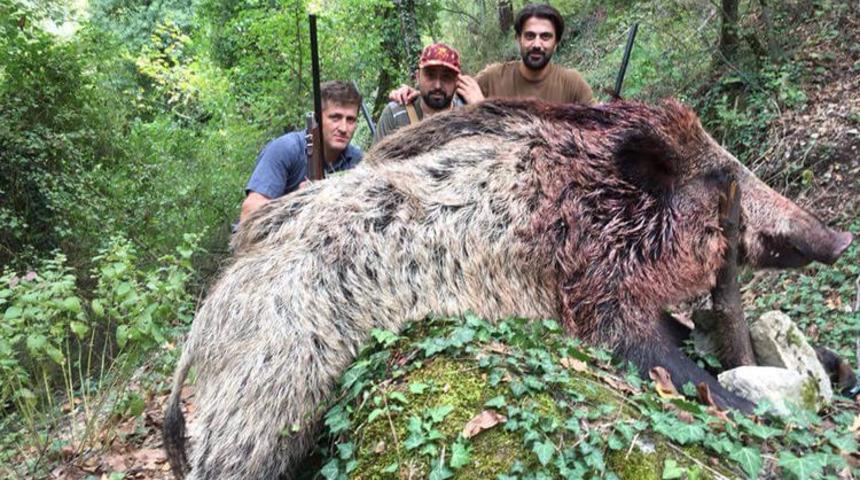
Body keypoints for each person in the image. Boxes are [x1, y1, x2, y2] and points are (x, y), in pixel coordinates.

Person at [391, 3, 594, 106]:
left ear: (556, 43)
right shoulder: (493, 77)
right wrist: (416, 95)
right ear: (518, 39)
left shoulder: (573, 84)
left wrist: (485, 106)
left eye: (546, 37)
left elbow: (599, 127)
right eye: (530, 36)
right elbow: (444, 92)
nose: (537, 44)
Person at [240, 81, 363, 222]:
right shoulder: (286, 149)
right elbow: (249, 212)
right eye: (335, 118)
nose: (343, 128)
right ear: (318, 118)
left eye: (351, 120)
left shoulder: (358, 162)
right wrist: (297, 202)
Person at [373, 43, 465, 144]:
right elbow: (375, 159)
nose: (437, 85)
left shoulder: (466, 116)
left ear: (457, 81)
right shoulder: (395, 114)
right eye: (430, 75)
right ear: (418, 77)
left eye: (446, 77)